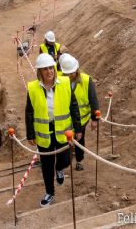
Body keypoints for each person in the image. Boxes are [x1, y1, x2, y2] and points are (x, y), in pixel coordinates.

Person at [25, 53, 82, 208]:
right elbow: (29, 112)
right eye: (45, 69)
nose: (49, 71)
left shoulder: (65, 83)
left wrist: (77, 127)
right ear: (40, 72)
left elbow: (74, 106)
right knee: (46, 165)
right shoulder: (33, 88)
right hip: (44, 132)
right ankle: (50, 192)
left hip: (63, 130)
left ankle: (59, 169)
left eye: (51, 68)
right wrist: (30, 134)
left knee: (65, 159)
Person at [59, 53, 100, 171]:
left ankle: (79, 160)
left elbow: (93, 100)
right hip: (65, 119)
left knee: (79, 138)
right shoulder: (59, 80)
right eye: (67, 73)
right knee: (64, 140)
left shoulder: (86, 80)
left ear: (77, 69)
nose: (70, 75)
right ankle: (65, 159)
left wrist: (94, 119)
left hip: (82, 119)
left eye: (72, 72)